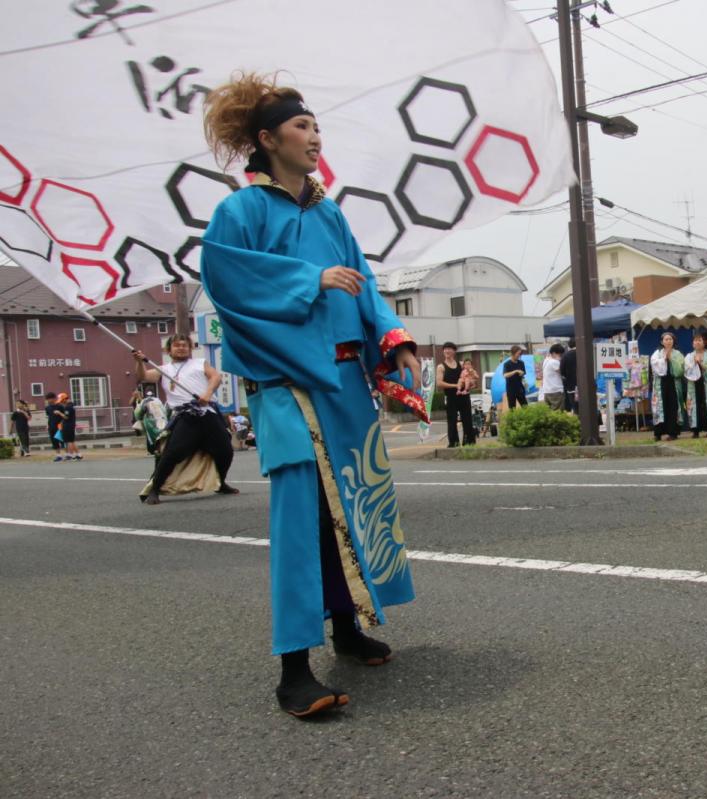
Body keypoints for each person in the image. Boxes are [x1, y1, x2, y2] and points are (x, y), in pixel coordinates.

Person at [201, 73, 424, 718]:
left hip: (345, 385)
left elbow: (367, 287)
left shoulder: (330, 213)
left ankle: (348, 625)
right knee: (300, 522)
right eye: (301, 126)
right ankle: (293, 667)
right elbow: (227, 280)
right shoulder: (239, 212)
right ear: (267, 139)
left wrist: (395, 338)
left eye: (316, 126)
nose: (313, 134)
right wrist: (308, 279)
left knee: (352, 507)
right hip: (288, 386)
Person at [133, 334, 237, 503]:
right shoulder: (163, 369)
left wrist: (207, 393)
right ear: (169, 350)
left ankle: (221, 483)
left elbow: (216, 377)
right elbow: (143, 377)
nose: (181, 348)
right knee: (172, 453)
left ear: (190, 349)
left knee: (225, 451)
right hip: (186, 417)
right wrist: (138, 362)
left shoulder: (200, 363)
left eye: (184, 345)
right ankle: (155, 489)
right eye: (177, 345)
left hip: (208, 413)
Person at [436, 342, 475, 447]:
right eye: (445, 349)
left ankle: (469, 442)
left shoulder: (461, 364)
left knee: (467, 419)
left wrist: (471, 382)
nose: (447, 351)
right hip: (451, 397)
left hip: (464, 395)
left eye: (449, 349)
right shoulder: (441, 367)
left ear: (454, 351)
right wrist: (454, 385)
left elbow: (469, 376)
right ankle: (454, 443)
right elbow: (439, 383)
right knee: (452, 420)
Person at [650, 331, 685, 441]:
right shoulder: (657, 353)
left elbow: (680, 369)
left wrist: (670, 359)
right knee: (659, 407)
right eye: (666, 339)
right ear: (662, 341)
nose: (668, 341)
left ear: (673, 341)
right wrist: (663, 359)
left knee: (673, 407)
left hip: (674, 383)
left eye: (670, 339)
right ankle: (658, 432)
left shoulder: (678, 354)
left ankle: (673, 433)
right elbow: (654, 365)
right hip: (660, 383)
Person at [684, 332, 707, 437]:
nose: (697, 342)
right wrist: (694, 364)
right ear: (692, 344)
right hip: (693, 384)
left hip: (705, 383)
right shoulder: (689, 356)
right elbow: (685, 369)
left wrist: (701, 364)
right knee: (695, 406)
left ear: (703, 343)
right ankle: (695, 430)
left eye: (700, 340)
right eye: (695, 341)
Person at [133, 389, 168, 457]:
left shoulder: (144, 401)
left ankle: (151, 451)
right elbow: (164, 410)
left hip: (150, 421)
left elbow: (138, 413)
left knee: (150, 436)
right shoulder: (158, 400)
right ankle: (162, 449)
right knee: (161, 433)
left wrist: (139, 419)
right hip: (161, 419)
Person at [539, 343, 566, 411]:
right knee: (558, 412)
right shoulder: (554, 362)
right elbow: (563, 372)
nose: (561, 356)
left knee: (550, 413)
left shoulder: (546, 360)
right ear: (554, 353)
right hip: (556, 391)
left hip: (547, 391)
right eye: (560, 354)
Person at [57, 392, 82, 460]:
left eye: (62, 401)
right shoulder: (71, 405)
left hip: (68, 425)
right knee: (72, 440)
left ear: (65, 399)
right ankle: (78, 454)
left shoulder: (68, 407)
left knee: (69, 441)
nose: (61, 403)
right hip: (70, 425)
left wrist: (59, 413)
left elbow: (66, 417)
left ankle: (71, 455)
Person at [502, 345, 528, 409]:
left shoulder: (521, 363)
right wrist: (515, 371)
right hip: (511, 390)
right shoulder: (507, 364)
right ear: (513, 353)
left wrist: (521, 373)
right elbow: (505, 375)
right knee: (512, 409)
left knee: (525, 407)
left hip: (520, 388)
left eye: (520, 354)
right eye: (518, 353)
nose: (519, 355)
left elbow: (523, 373)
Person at [560, 338, 578, 413]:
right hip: (585, 386)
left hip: (571, 386)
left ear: (569, 345)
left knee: (575, 407)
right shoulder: (584, 353)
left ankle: (577, 421)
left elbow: (562, 371)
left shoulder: (565, 356)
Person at [43, 391, 63, 459]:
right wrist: (47, 425)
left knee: (63, 440)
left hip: (60, 426)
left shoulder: (60, 406)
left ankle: (68, 454)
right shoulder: (47, 408)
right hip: (51, 426)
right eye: (47, 399)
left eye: (49, 398)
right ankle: (58, 455)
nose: (48, 400)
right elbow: (49, 417)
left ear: (54, 398)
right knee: (54, 441)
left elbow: (64, 416)